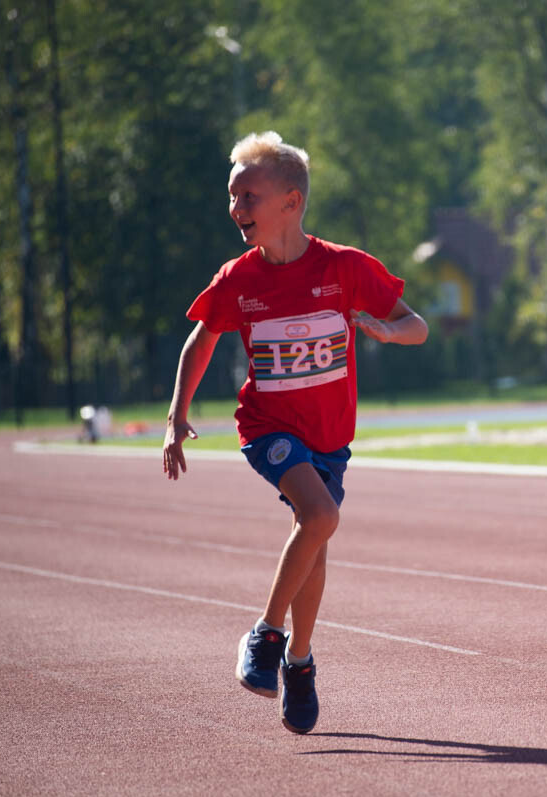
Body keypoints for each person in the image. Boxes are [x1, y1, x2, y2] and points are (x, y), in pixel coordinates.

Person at [161, 131, 428, 734]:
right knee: (320, 518)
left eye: (247, 197)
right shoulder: (238, 278)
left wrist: (389, 333)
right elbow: (201, 338)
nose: (236, 210)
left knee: (316, 535)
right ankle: (267, 634)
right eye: (232, 198)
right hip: (268, 428)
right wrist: (178, 415)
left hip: (330, 437)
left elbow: (418, 325)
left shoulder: (345, 268)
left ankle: (299, 663)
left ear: (291, 201)